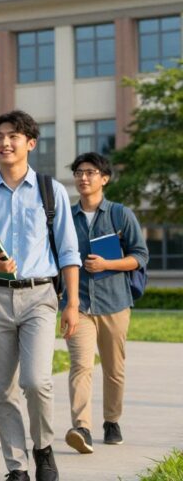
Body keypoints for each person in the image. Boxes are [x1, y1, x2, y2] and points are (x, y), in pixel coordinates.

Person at [0, 110, 81, 481]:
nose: (4, 143)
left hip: (40, 295)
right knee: (4, 389)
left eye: (12, 136)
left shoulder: (50, 190)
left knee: (36, 381)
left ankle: (43, 447)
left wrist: (72, 304)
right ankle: (17, 467)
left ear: (30, 143)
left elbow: (69, 252)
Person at [64, 152, 149, 453]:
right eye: (78, 172)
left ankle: (111, 421)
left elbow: (140, 256)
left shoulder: (120, 214)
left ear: (104, 178)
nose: (83, 177)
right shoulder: (66, 217)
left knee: (114, 369)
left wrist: (108, 264)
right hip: (79, 304)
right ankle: (82, 427)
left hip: (115, 303)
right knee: (81, 366)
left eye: (90, 172)